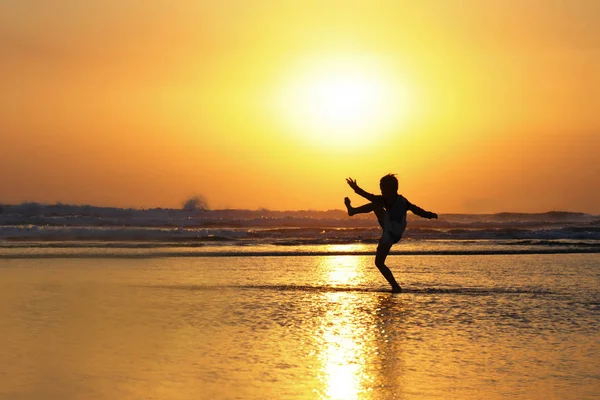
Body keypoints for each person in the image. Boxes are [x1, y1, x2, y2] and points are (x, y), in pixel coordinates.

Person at [344, 174, 437, 293]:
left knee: (378, 262)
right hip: (390, 229)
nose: (381, 192)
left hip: (392, 233)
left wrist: (429, 215)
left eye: (383, 189)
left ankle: (395, 286)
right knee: (376, 205)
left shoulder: (401, 201)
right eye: (381, 189)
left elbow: (416, 210)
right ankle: (395, 286)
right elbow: (369, 196)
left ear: (392, 189)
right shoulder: (390, 200)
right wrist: (355, 188)